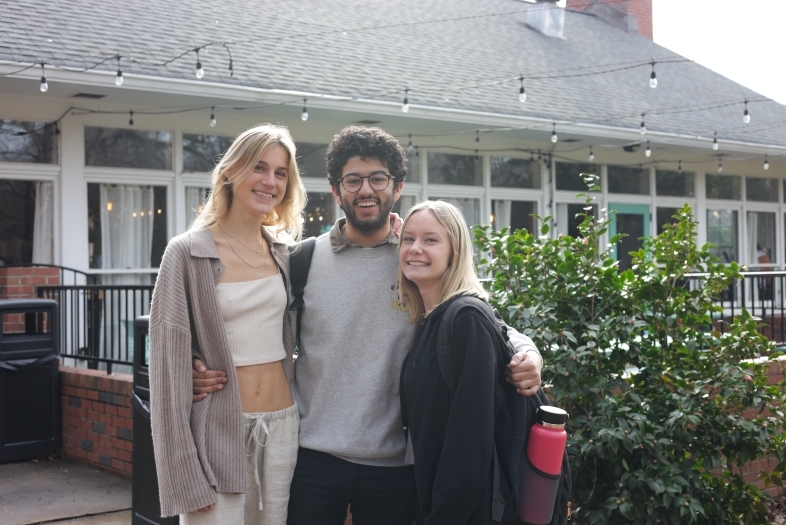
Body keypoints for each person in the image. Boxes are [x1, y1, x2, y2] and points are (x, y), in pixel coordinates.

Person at [192, 126, 543, 525]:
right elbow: (243, 319)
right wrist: (195, 365)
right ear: (336, 190)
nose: (365, 190)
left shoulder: (415, 258)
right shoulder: (300, 261)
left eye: (378, 179)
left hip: (396, 464)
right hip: (311, 458)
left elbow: (472, 313)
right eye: (353, 180)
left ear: (397, 187)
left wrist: (526, 349)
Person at [148, 124, 307, 524]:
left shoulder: (286, 252)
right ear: (231, 171)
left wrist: (396, 234)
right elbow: (166, 374)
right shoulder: (186, 253)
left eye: (281, 172)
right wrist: (182, 476)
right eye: (259, 167)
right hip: (219, 434)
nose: (270, 181)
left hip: (284, 428)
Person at [397, 200, 520, 524]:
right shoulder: (431, 320)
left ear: (455, 250)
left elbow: (470, 441)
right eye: (408, 239)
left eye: (431, 240)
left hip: (468, 511)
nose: (415, 249)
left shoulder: (466, 319)